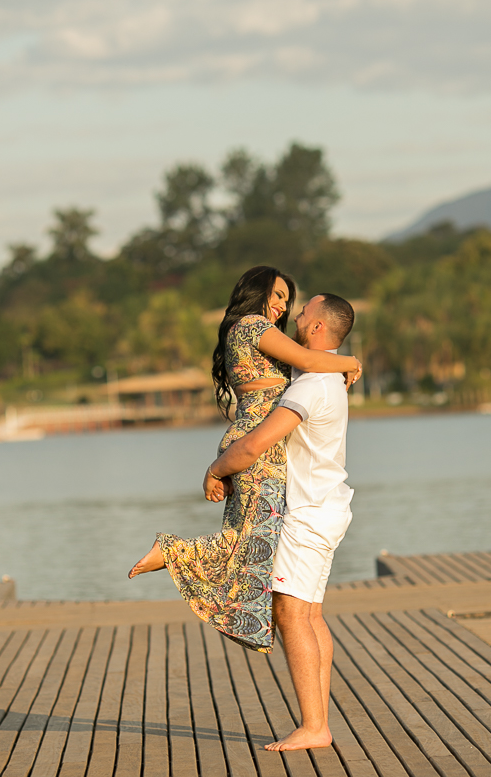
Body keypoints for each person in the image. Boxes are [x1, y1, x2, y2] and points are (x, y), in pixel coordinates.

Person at [128, 266, 360, 654]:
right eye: (279, 295)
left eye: (289, 300)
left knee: (247, 539)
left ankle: (179, 560)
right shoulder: (253, 326)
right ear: (258, 292)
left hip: (255, 441)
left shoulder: (251, 332)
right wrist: (351, 362)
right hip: (258, 446)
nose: (285, 306)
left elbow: (307, 363)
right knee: (251, 542)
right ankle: (171, 553)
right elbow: (310, 359)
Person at [203, 292, 356, 752]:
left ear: (317, 327)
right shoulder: (325, 377)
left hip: (308, 515)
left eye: (304, 311)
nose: (295, 315)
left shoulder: (311, 386)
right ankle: (317, 722)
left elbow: (255, 444)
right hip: (327, 508)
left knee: (290, 615)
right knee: (309, 614)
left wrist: (216, 470)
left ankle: (314, 726)